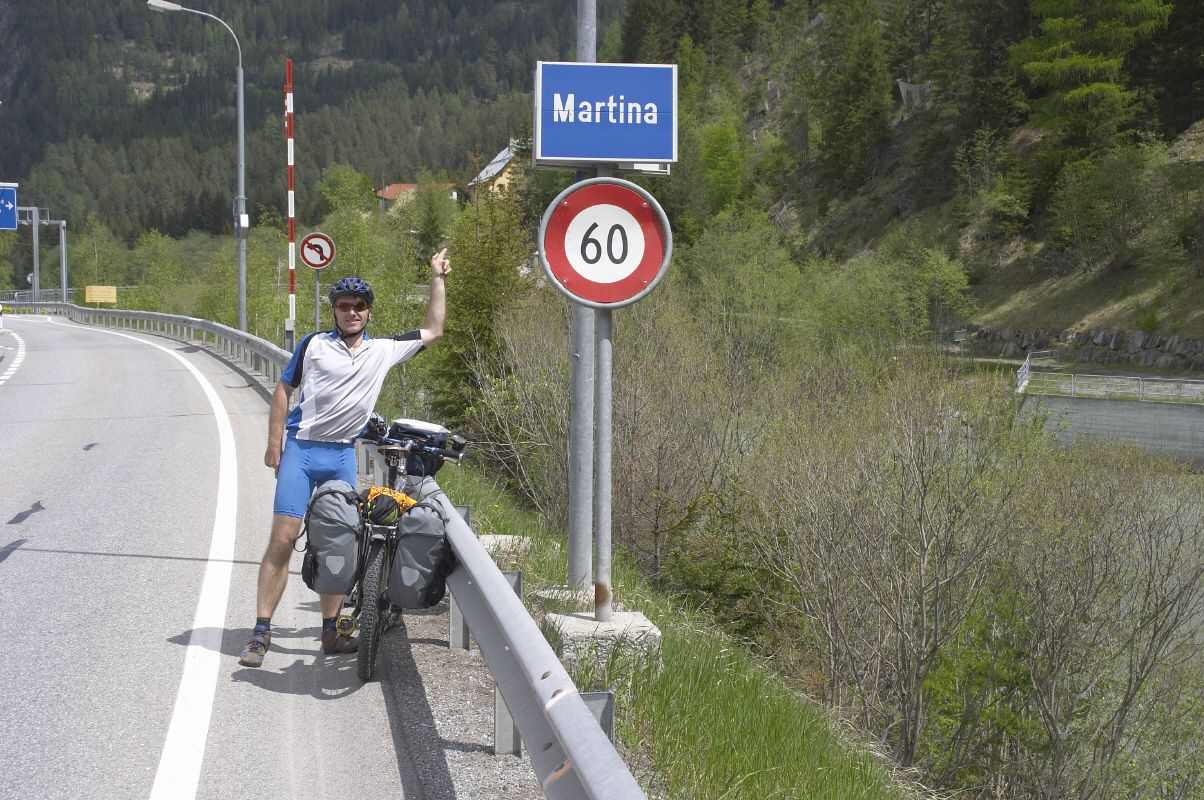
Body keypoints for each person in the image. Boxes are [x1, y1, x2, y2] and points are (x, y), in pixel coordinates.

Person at [239, 248, 451, 668]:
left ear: (368, 312)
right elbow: (284, 388)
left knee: (338, 540)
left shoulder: (384, 350)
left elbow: (433, 329)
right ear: (334, 310)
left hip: (341, 453)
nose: (351, 312)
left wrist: (437, 278)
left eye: (359, 306)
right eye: (344, 306)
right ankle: (261, 631)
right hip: (302, 450)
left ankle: (331, 632)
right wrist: (274, 442)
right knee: (283, 538)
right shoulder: (314, 345)